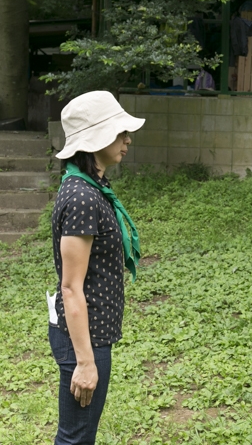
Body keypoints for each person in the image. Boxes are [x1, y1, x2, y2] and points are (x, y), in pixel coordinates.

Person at [48, 90, 145, 444]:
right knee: (75, 438)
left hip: (91, 334)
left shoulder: (91, 186)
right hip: (84, 341)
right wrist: (86, 362)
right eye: (120, 132)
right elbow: (71, 287)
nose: (127, 139)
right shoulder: (83, 197)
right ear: (97, 138)